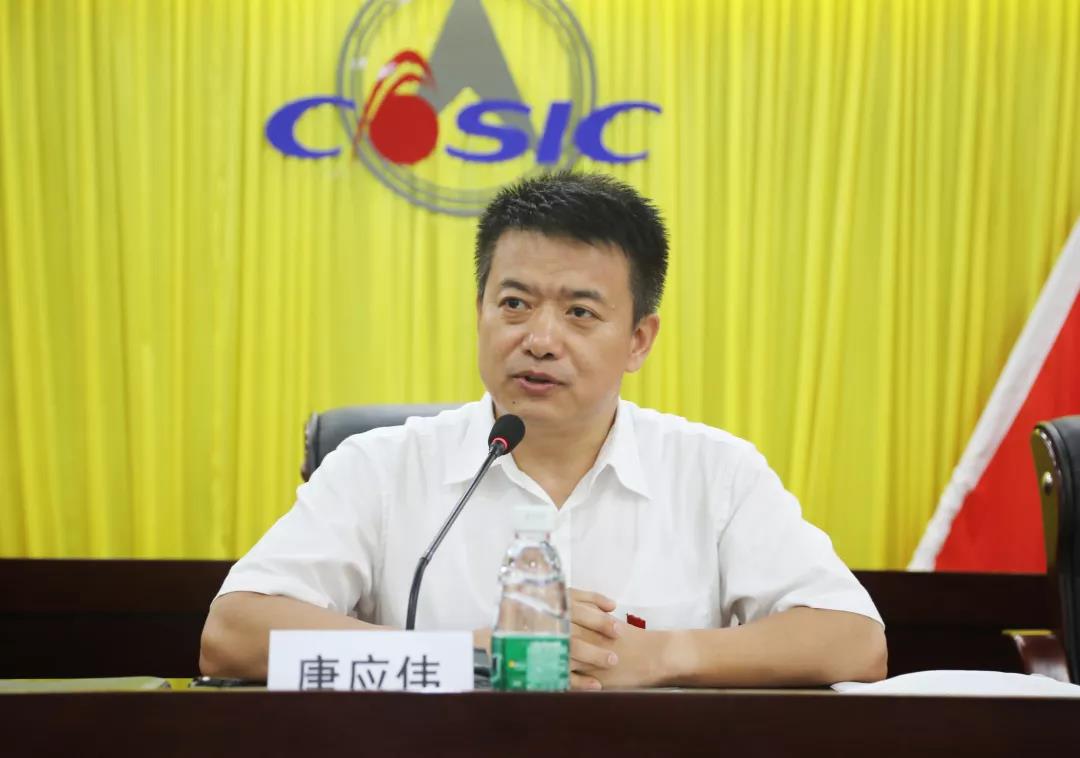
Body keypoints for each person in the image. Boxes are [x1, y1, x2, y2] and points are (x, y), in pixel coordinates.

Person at [200, 172, 887, 689]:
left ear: (639, 339)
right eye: (515, 304)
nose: (540, 339)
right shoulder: (380, 467)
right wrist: (473, 656)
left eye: (580, 312)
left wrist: (659, 655)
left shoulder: (714, 472)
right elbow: (232, 635)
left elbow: (855, 642)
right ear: (479, 312)